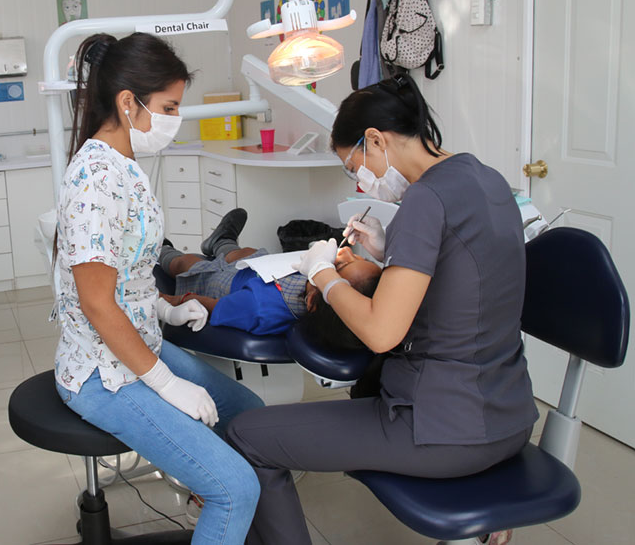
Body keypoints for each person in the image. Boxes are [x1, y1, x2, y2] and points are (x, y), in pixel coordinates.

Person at [226, 73, 537, 545]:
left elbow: (381, 333)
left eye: (355, 167)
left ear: (375, 139)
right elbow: (467, 280)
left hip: (443, 430)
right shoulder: (487, 179)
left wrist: (322, 275)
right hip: (510, 417)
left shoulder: (425, 200)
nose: (360, 180)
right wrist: (390, 252)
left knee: (245, 437)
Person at [53, 32, 264, 544]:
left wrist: (165, 309)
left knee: (252, 418)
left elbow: (126, 277)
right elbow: (97, 305)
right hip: (105, 374)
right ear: (129, 103)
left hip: (139, 346)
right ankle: (218, 504)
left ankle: (215, 515)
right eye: (169, 106)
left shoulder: (124, 168)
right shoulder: (94, 179)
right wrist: (168, 384)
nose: (174, 118)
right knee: (234, 489)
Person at [157, 208, 380, 341]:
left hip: (227, 285)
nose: (347, 251)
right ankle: (221, 243)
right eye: (361, 257)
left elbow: (209, 305)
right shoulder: (314, 289)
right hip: (263, 270)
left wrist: (167, 302)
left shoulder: (259, 307)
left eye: (338, 267)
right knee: (245, 253)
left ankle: (159, 249)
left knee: (187, 263)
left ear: (312, 301)